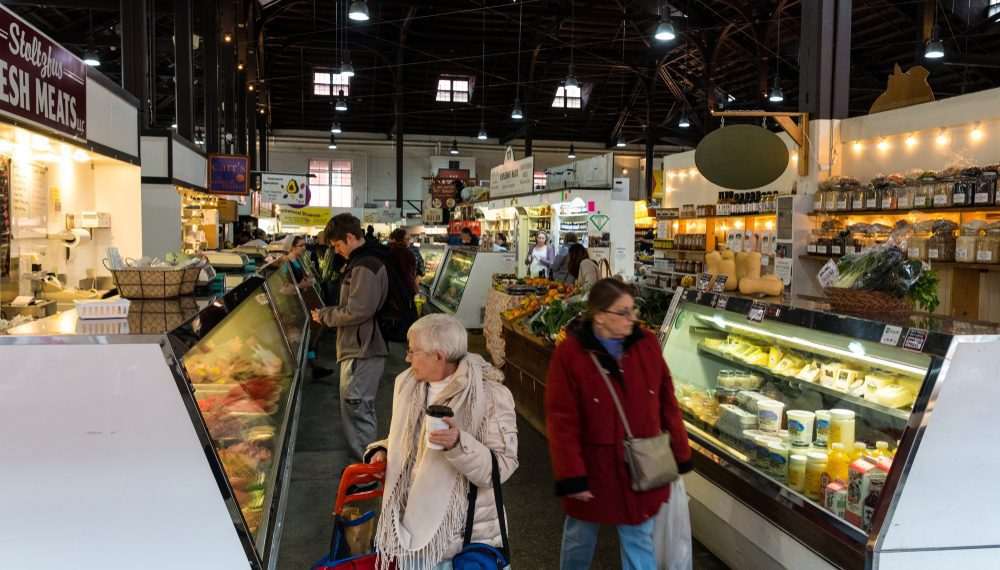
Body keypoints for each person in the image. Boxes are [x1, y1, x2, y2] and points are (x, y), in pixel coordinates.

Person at [545, 279, 693, 570]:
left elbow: (668, 402)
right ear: (600, 315)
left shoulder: (646, 344)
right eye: (623, 312)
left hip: (639, 466)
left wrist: (680, 452)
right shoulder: (571, 354)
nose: (631, 318)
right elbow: (562, 420)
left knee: (638, 539)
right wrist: (572, 476)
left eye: (633, 310)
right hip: (593, 468)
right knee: (580, 536)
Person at [364, 314, 518, 570]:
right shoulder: (407, 385)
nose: (407, 358)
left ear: (439, 356)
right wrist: (383, 450)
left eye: (413, 351)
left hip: (460, 538)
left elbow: (502, 466)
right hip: (408, 529)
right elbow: (408, 440)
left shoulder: (491, 395)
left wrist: (458, 444)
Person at [311, 213, 390, 461]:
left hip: (363, 347)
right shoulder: (361, 262)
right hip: (359, 345)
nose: (336, 251)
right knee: (358, 407)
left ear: (349, 237)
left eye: (337, 245)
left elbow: (359, 310)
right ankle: (367, 464)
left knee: (357, 408)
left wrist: (325, 316)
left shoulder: (365, 266)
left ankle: (368, 468)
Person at [389, 228, 419, 296]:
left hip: (392, 290)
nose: (409, 241)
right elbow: (410, 275)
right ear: (402, 240)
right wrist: (415, 289)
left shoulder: (389, 251)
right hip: (406, 289)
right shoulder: (408, 254)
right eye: (407, 239)